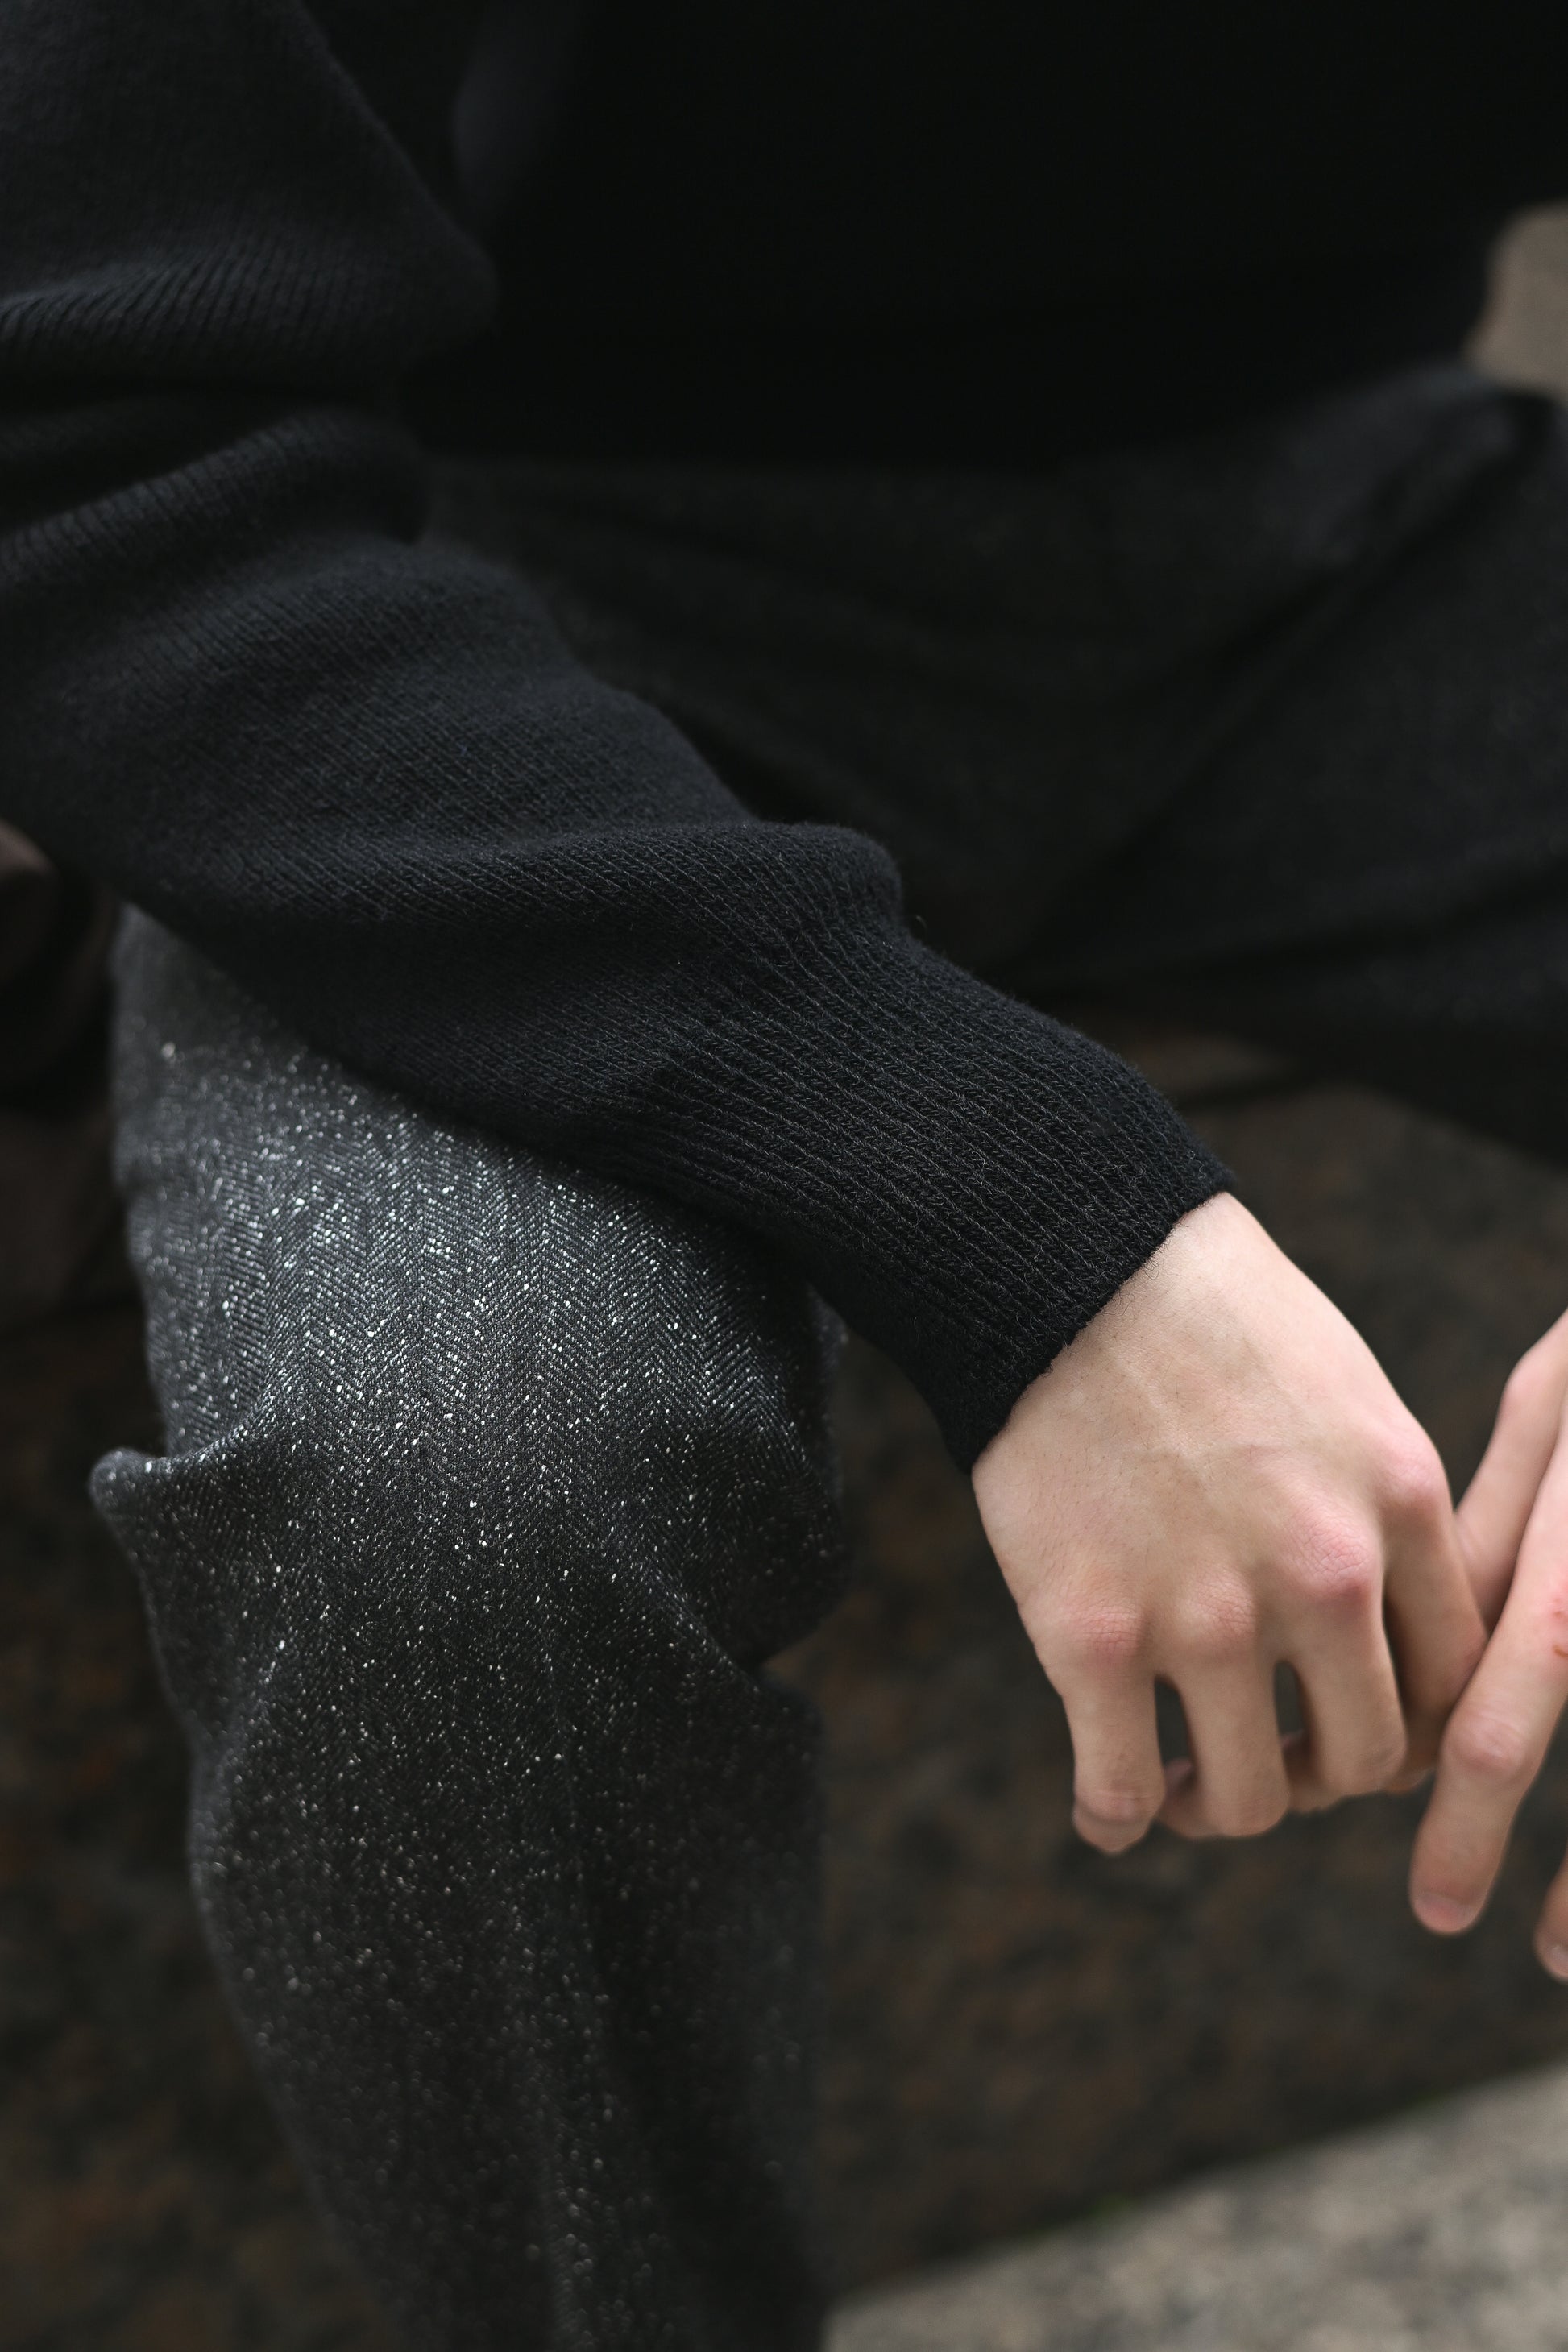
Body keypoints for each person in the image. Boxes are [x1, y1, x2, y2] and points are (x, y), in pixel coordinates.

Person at [7, 4, 1568, 2346]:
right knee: (456, 1481)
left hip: (1350, 513)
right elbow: (83, 444)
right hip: (469, 604)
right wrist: (1033, 1223)